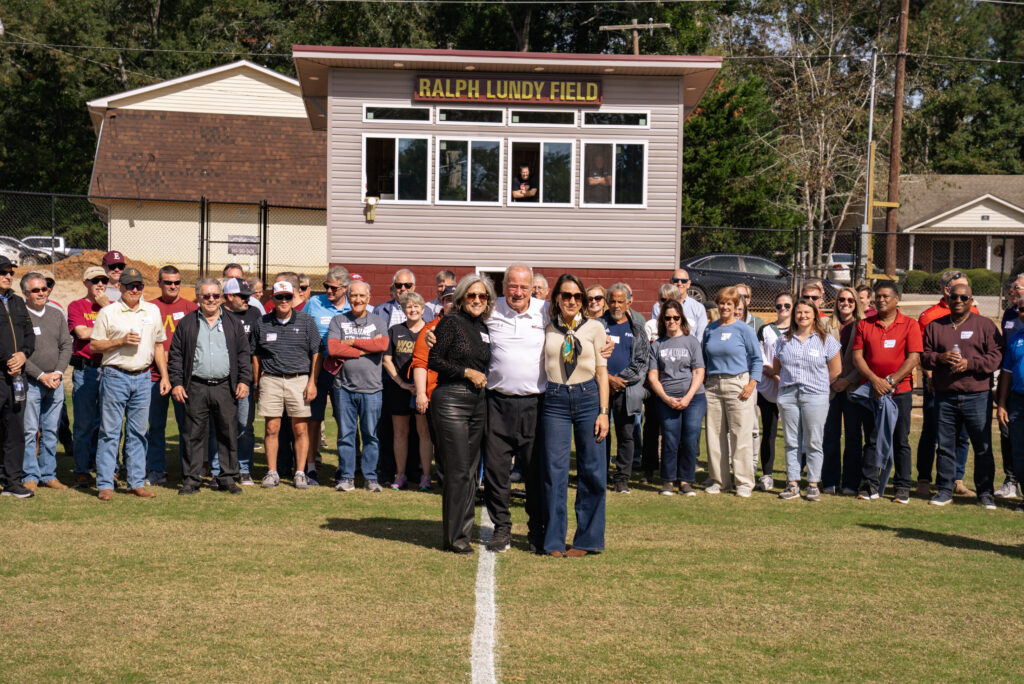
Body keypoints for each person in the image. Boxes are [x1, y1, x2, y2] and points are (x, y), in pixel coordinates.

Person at [541, 274, 610, 557]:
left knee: (592, 471)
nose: (572, 301)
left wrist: (604, 412)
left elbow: (601, 372)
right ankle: (554, 541)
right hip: (554, 400)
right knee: (554, 472)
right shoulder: (545, 328)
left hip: (588, 399)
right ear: (557, 298)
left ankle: (587, 540)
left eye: (577, 296)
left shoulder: (595, 327)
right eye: (566, 295)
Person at [483, 263, 548, 553]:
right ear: (504, 286)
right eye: (512, 286)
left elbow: (581, 324)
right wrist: (433, 334)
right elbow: (457, 319)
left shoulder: (546, 311)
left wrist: (603, 342)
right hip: (497, 403)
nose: (518, 292)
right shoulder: (489, 309)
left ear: (532, 287)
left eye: (523, 286)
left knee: (535, 472)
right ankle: (502, 529)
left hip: (536, 405)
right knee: (496, 472)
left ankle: (536, 530)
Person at [428, 274, 495, 554]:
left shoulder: (484, 328)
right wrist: (466, 372)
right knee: (457, 470)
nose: (477, 300)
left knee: (470, 471)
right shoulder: (452, 322)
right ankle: (454, 539)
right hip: (452, 400)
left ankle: (462, 533)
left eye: (483, 296)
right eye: (472, 295)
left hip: (478, 403)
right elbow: (435, 360)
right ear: (461, 298)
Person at [90, 268, 170, 500]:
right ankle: (105, 483)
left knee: (138, 432)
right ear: (121, 288)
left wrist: (164, 376)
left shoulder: (152, 310)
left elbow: (158, 345)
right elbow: (95, 346)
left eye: (139, 285)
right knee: (110, 432)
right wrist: (120, 341)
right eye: (130, 286)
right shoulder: (109, 312)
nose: (135, 290)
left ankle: (136, 482)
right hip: (115, 376)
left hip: (144, 377)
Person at [169, 278, 251, 495]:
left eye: (216, 295)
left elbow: (244, 354)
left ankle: (228, 478)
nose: (211, 300)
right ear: (198, 297)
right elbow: (176, 356)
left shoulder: (233, 323)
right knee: (193, 434)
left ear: (222, 297)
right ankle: (191, 480)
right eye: (206, 296)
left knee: (228, 433)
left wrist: (244, 380)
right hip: (195, 386)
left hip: (226, 386)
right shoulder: (186, 323)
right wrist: (177, 383)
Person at [923, 283, 1001, 508]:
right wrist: (940, 358)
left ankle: (985, 493)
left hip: (977, 395)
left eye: (963, 298)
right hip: (945, 396)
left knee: (983, 446)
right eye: (954, 297)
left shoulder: (985, 325)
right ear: (947, 299)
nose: (958, 301)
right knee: (946, 445)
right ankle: (945, 489)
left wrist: (970, 364)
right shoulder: (935, 326)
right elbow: (924, 356)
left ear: (971, 300)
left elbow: (996, 357)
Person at [852, 282, 921, 503]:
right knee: (872, 438)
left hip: (900, 391)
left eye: (885, 297)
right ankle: (869, 485)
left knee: (900, 439)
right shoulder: (864, 324)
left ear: (896, 299)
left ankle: (902, 488)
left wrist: (891, 381)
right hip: (871, 392)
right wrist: (875, 381)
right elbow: (857, 357)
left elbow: (913, 358)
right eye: (877, 297)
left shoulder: (910, 324)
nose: (880, 300)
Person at [252, 278, 321, 489]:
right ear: (272, 298)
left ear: (294, 298)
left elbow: (316, 352)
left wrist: (312, 382)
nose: (283, 301)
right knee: (272, 428)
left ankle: (300, 473)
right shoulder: (261, 322)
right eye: (279, 297)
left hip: (298, 379)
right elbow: (255, 354)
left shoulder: (306, 321)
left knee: (300, 429)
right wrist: (257, 383)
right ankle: (272, 472)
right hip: (271, 380)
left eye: (287, 297)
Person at [915, 270, 977, 498]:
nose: (963, 297)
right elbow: (923, 352)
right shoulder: (929, 316)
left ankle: (956, 479)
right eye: (959, 290)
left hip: (965, 386)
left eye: (967, 291)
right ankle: (923, 478)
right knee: (931, 431)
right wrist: (930, 377)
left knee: (962, 434)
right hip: (937, 383)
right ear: (947, 291)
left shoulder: (975, 312)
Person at [773, 299, 842, 501]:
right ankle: (792, 483)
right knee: (791, 441)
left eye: (807, 312)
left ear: (815, 315)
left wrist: (819, 384)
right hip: (788, 395)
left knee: (814, 441)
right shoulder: (783, 340)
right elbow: (777, 368)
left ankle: (813, 483)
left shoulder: (826, 340)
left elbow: (836, 370)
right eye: (799, 313)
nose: (802, 316)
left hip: (816, 396)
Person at [327, 279, 389, 492]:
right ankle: (346, 477)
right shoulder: (338, 320)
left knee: (371, 434)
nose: (358, 300)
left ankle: (370, 477)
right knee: (346, 435)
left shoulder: (379, 321)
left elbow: (382, 344)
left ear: (369, 298)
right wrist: (365, 349)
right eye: (354, 295)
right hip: (343, 388)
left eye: (362, 296)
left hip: (372, 389)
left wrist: (351, 342)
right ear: (348, 297)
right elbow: (334, 349)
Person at [702, 286, 762, 497]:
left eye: (729, 304)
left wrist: (751, 384)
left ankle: (744, 482)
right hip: (713, 385)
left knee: (741, 434)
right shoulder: (710, 329)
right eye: (722, 303)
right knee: (714, 435)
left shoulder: (744, 329)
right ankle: (720, 481)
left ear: (737, 306)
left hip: (739, 385)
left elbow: (757, 359)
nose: (725, 307)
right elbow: (703, 358)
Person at [144, 265, 197, 485]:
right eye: (168, 282)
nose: (173, 286)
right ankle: (156, 470)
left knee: (188, 427)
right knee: (155, 426)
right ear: (159, 284)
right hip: (153, 377)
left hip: (184, 380)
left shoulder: (192, 308)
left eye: (177, 282)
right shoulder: (148, 308)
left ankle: (188, 471)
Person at [647, 299, 706, 497]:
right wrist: (665, 398)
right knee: (670, 438)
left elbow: (699, 372)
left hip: (694, 398)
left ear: (681, 318)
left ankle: (686, 480)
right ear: (662, 320)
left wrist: (688, 397)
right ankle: (668, 481)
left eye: (675, 317)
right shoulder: (657, 345)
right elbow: (653, 376)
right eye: (667, 318)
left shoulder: (692, 342)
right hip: (667, 398)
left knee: (690, 437)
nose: (671, 321)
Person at [20, 272, 72, 492]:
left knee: (51, 431)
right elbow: (18, 354)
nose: (42, 293)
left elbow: (66, 346)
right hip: (31, 382)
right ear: (25, 294)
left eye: (44, 288)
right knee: (30, 431)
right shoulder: (19, 317)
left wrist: (58, 373)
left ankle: (48, 474)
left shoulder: (56, 314)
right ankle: (29, 474)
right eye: (36, 290)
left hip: (56, 382)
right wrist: (41, 375)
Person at [303, 265, 353, 484]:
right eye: (326, 287)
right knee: (313, 418)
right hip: (317, 365)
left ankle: (345, 468)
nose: (328, 291)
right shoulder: (314, 303)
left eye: (333, 288)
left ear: (345, 288)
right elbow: (302, 328)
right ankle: (311, 465)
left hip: (344, 368)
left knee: (344, 419)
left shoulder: (355, 305)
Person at [67, 265, 112, 488]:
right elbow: (82, 333)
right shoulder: (76, 306)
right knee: (84, 424)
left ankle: (106, 469)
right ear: (86, 283)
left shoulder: (113, 307)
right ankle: (83, 470)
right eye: (95, 281)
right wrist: (110, 329)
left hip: (110, 370)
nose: (100, 285)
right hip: (86, 370)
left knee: (108, 424)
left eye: (103, 281)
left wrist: (107, 309)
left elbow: (123, 331)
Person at [601, 283, 648, 494]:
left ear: (629, 302)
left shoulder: (637, 329)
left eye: (621, 301)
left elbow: (641, 362)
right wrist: (607, 379)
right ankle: (600, 475)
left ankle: (622, 479)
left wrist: (619, 380)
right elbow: (589, 356)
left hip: (626, 390)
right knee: (600, 433)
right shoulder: (597, 325)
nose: (616, 305)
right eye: (612, 301)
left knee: (626, 434)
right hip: (601, 386)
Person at [383, 292, 432, 490]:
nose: (413, 310)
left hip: (423, 391)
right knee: (400, 433)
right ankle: (400, 473)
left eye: (416, 306)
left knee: (424, 433)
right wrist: (401, 383)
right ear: (404, 310)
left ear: (423, 309)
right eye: (409, 307)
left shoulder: (430, 331)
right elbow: (387, 360)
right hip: (400, 390)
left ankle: (426, 476)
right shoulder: (395, 331)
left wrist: (422, 387)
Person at [822, 287, 865, 495]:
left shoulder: (863, 326)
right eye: (841, 299)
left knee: (853, 437)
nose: (845, 303)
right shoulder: (824, 325)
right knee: (829, 435)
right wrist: (832, 381)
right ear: (836, 302)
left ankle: (850, 483)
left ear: (856, 303)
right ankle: (829, 481)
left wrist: (847, 380)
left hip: (853, 388)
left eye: (850, 300)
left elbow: (864, 360)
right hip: (829, 388)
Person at [220, 277, 262, 484]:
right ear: (229, 296)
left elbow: (258, 349)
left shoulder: (254, 313)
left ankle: (244, 467)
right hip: (221, 379)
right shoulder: (217, 313)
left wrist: (255, 379)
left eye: (248, 296)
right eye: (243, 296)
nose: (248, 300)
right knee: (220, 425)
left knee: (245, 424)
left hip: (245, 378)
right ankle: (221, 466)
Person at [754, 292, 792, 491]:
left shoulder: (799, 330)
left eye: (787, 305)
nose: (783, 309)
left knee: (793, 435)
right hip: (768, 389)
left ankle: (792, 476)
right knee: (768, 432)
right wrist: (775, 376)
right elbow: (761, 359)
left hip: (793, 391)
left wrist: (782, 379)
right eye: (779, 306)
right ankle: (767, 475)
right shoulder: (766, 330)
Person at [995, 275, 1024, 499]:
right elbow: (1006, 369)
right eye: (1021, 310)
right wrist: (1002, 400)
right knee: (1014, 443)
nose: (1022, 314)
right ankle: (1014, 484)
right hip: (1015, 396)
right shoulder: (1015, 337)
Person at [650, 269, 709, 341]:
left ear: (688, 284)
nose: (679, 283)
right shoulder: (658, 306)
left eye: (683, 281)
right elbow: (655, 332)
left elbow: (701, 336)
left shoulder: (698, 308)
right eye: (676, 280)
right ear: (671, 282)